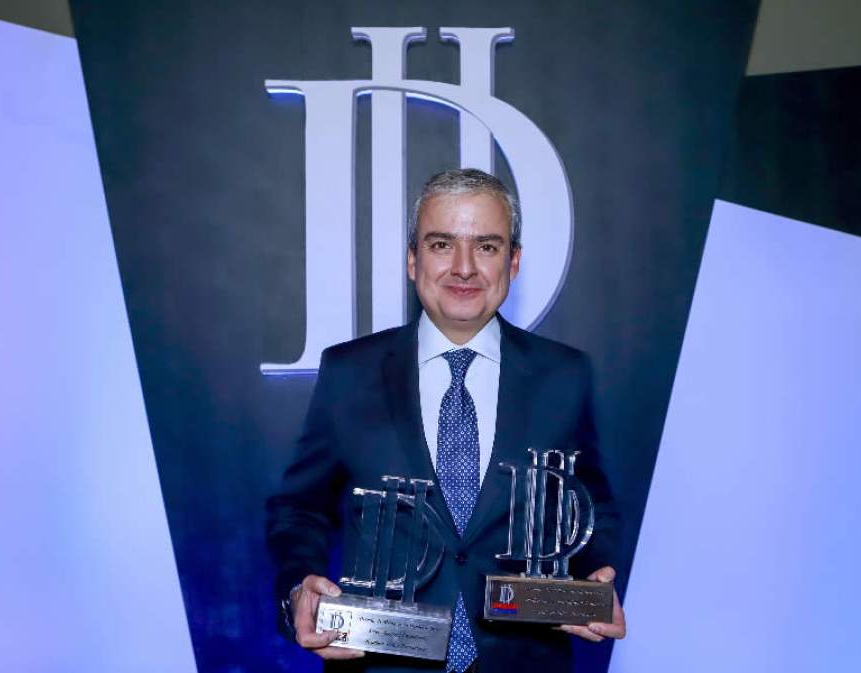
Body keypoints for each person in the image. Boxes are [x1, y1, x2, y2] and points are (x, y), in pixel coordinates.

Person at [267, 168, 625, 672]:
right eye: (441, 245)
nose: (464, 268)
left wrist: (594, 575)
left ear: (513, 261)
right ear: (413, 260)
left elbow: (592, 507)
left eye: (486, 246)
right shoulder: (349, 372)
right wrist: (298, 588)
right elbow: (299, 510)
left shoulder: (565, 376)